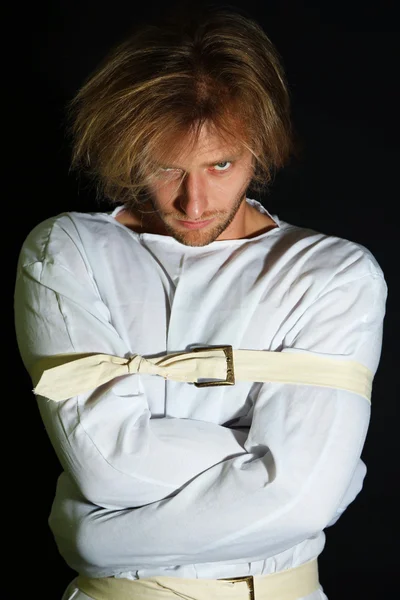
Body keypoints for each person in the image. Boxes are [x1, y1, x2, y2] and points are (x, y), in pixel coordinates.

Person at [14, 4, 387, 600]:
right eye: (166, 167)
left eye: (221, 164)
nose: (194, 202)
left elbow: (303, 499)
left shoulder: (332, 273)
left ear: (259, 150)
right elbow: (107, 467)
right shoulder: (67, 250)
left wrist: (97, 542)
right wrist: (275, 466)